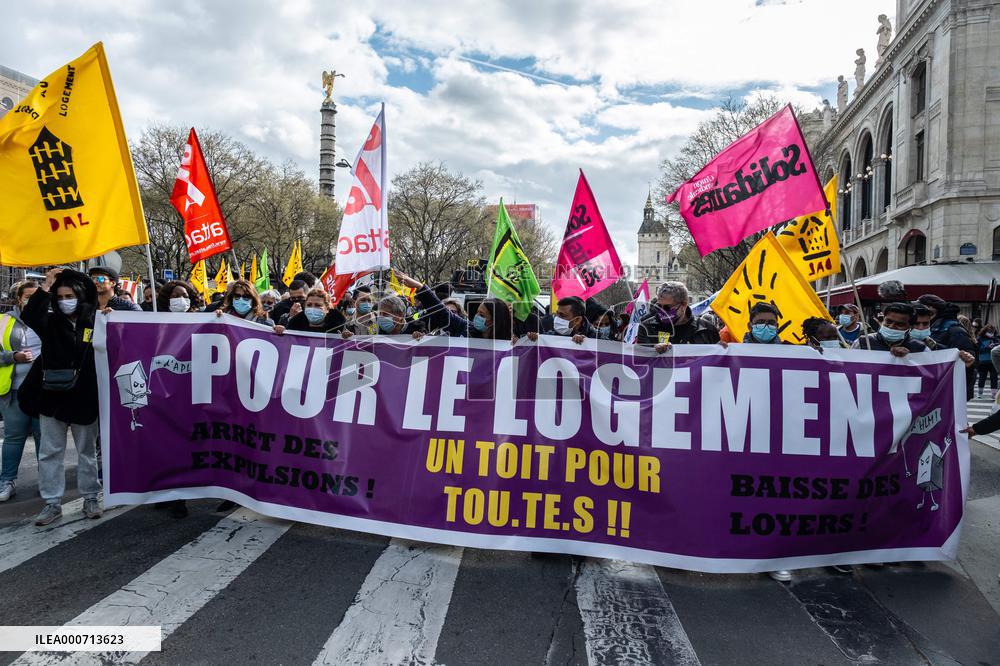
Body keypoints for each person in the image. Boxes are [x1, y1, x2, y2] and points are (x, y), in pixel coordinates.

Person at [19, 268, 103, 526]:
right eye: (61, 295)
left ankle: (91, 497)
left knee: (87, 452)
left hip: (84, 397)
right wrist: (46, 285)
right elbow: (30, 314)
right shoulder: (50, 321)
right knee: (49, 452)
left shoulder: (96, 320)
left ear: (80, 296)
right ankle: (51, 503)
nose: (65, 299)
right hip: (52, 397)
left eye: (71, 295)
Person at [0, 280, 42, 502]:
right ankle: (7, 481)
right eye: (28, 297)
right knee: (13, 438)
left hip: (43, 392)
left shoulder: (49, 319)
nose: (32, 301)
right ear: (18, 299)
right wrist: (12, 357)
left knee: (42, 437)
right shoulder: (3, 322)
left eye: (36, 296)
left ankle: (46, 480)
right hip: (14, 392)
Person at [916, 294, 977, 399]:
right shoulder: (929, 327)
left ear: (932, 310)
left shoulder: (955, 330)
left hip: (947, 391)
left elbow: (967, 360)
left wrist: (934, 346)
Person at [638, 282, 719, 352]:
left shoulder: (706, 328)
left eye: (667, 307)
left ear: (684, 304)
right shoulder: (647, 327)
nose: (662, 311)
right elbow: (641, 359)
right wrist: (652, 350)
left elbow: (717, 361)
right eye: (658, 306)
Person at [852, 302, 925, 356]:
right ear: (883, 319)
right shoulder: (862, 343)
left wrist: (911, 358)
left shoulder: (921, 349)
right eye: (888, 321)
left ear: (911, 328)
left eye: (899, 324)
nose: (891, 326)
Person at [341, 293, 425, 339]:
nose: (380, 317)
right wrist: (348, 339)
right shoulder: (375, 331)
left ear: (400, 315)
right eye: (379, 313)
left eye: (385, 314)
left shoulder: (417, 328)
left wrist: (420, 338)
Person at [274, 288, 346, 335]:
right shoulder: (294, 325)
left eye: (318, 305)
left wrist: (345, 339)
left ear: (327, 308)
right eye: (309, 305)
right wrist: (282, 332)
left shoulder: (338, 329)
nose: (312, 308)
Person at [529, 296, 596, 345]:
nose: (557, 318)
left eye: (562, 315)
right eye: (557, 314)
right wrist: (537, 338)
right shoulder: (551, 335)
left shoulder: (595, 337)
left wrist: (587, 343)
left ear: (577, 320)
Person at [975, 324, 999, 398]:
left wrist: (995, 345)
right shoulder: (979, 339)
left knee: (994, 378)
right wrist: (987, 347)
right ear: (985, 331)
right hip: (983, 361)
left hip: (993, 361)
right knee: (982, 377)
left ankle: (994, 394)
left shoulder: (995, 339)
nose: (991, 334)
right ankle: (979, 393)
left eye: (992, 332)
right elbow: (978, 350)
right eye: (989, 332)